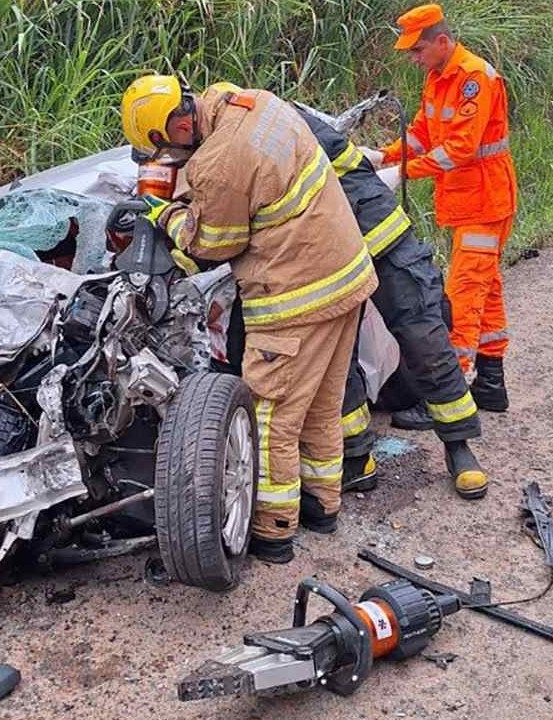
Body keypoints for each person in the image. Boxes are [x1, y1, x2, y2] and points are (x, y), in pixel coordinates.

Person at [120, 76, 377, 564]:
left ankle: (272, 530)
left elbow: (214, 243)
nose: (168, 159)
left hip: (296, 298)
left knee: (269, 415)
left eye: (163, 150)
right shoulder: (253, 103)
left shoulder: (219, 162)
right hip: (344, 277)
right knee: (320, 405)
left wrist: (166, 215)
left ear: (176, 126)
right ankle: (322, 507)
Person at [293, 108, 487, 500]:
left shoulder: (273, 123)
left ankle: (459, 446)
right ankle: (356, 458)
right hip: (325, 253)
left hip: (377, 234)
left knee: (424, 338)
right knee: (335, 354)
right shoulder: (227, 138)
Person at [364, 3, 517, 413]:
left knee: (463, 294)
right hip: (465, 203)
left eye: (417, 51)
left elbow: (460, 150)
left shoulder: (473, 79)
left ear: (442, 41)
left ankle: (446, 396)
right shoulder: (438, 78)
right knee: (486, 287)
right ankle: (490, 382)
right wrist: (381, 158)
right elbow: (420, 134)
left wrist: (404, 174)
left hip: (485, 201)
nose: (414, 59)